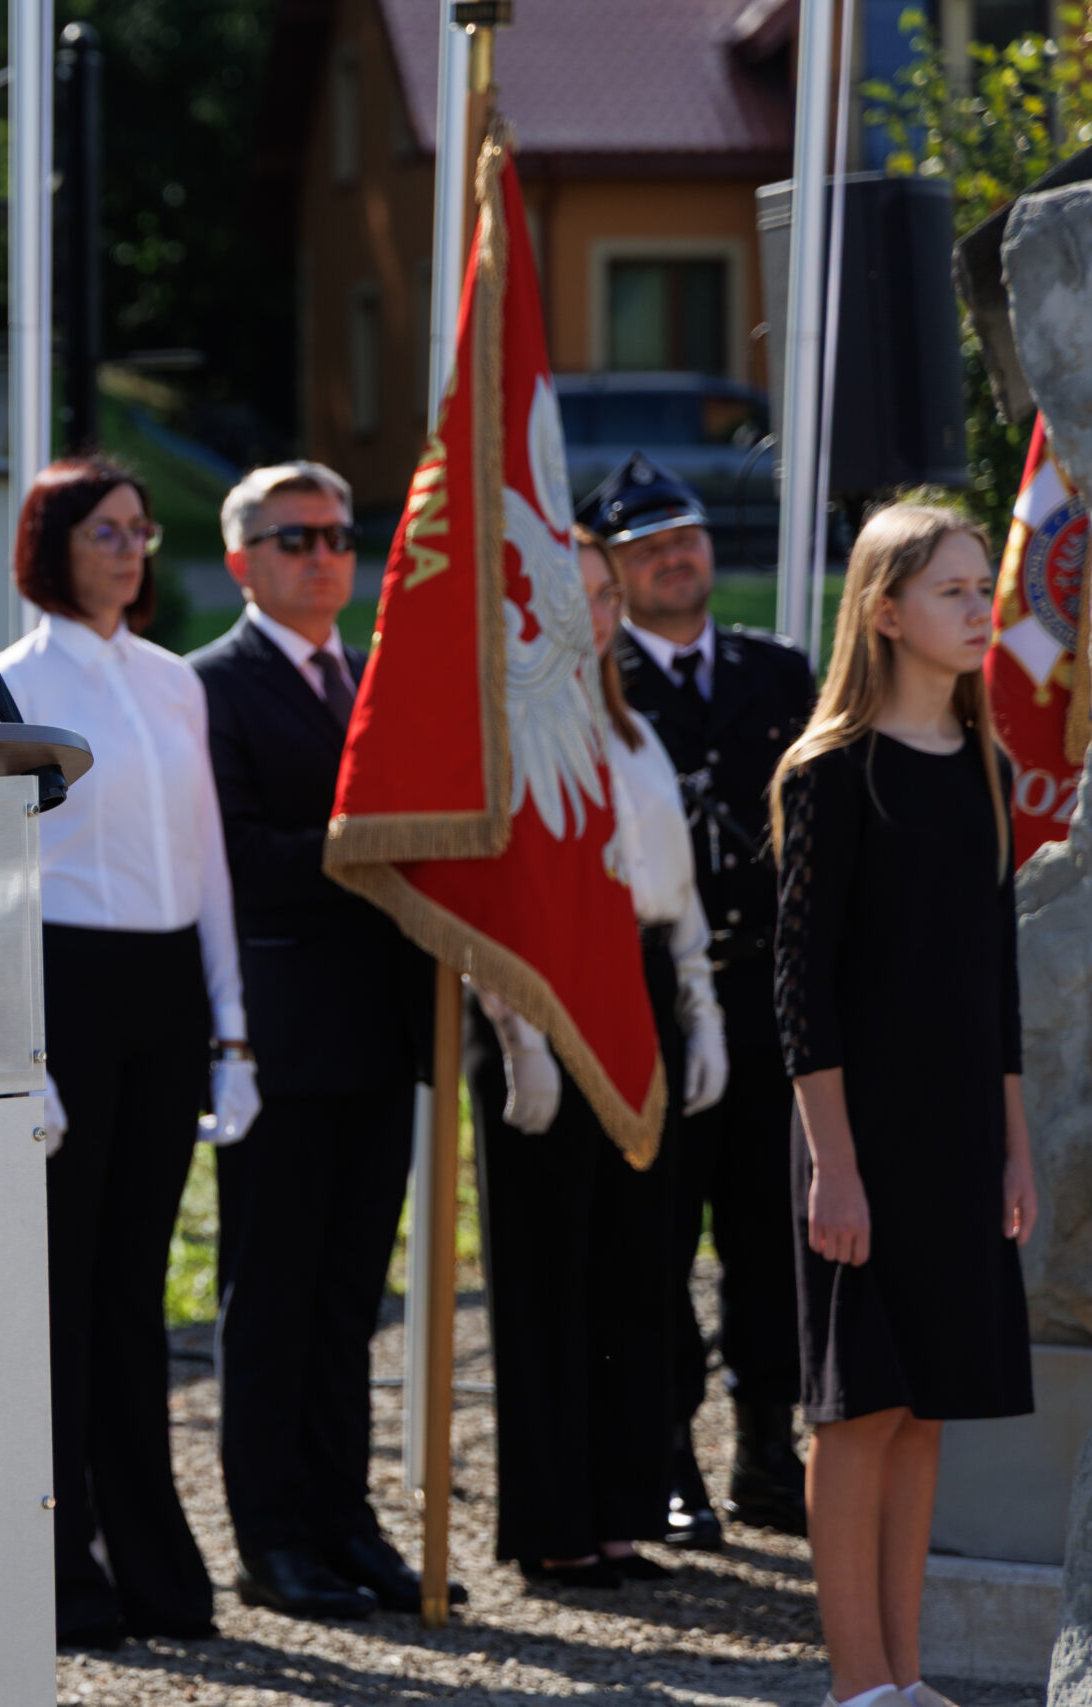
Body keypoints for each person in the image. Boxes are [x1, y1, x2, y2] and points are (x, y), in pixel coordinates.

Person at [0, 456, 255, 1650]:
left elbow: (207, 858)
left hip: (167, 990)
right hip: (64, 992)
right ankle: (61, 1569)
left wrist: (232, 1031)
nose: (131, 550)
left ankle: (154, 1570)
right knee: (60, 1296)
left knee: (134, 1291)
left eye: (140, 530)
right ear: (53, 544)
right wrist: (19, 1049)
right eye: (106, 531)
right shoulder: (11, 683)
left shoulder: (173, 681)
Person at [772, 502, 1035, 1707]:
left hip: (959, 1136)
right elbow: (801, 988)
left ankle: (905, 1678)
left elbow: (995, 982)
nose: (979, 610)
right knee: (858, 1410)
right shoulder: (830, 773)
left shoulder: (986, 769)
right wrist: (833, 1164)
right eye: (952, 591)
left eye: (983, 589)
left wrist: (1012, 1151)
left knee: (927, 1408)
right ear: (884, 613)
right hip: (859, 1134)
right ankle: (854, 1684)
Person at [188, 461, 453, 1620]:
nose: (322, 555)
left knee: (351, 1299)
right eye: (293, 538)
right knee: (273, 1297)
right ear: (240, 560)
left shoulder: (377, 680)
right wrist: (367, 852)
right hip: (280, 1038)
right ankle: (272, 1538)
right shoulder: (211, 685)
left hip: (381, 1027)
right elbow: (232, 856)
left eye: (339, 535)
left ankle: (345, 1521)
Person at [468, 525, 731, 1588]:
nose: (597, 616)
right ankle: (554, 1520)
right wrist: (516, 1036)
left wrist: (700, 1009)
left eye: (607, 596)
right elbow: (491, 895)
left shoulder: (634, 732)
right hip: (545, 1001)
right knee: (548, 1271)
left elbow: (676, 884)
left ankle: (621, 1508)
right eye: (573, 596)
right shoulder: (504, 732)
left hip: (642, 994)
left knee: (637, 1264)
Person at [582, 452, 817, 1546]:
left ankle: (767, 1449)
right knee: (658, 1236)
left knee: (773, 1237)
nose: (674, 559)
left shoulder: (779, 672)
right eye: (646, 548)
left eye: (686, 538)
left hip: (768, 997)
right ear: (614, 571)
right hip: (655, 1002)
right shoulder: (600, 683)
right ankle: (665, 1452)